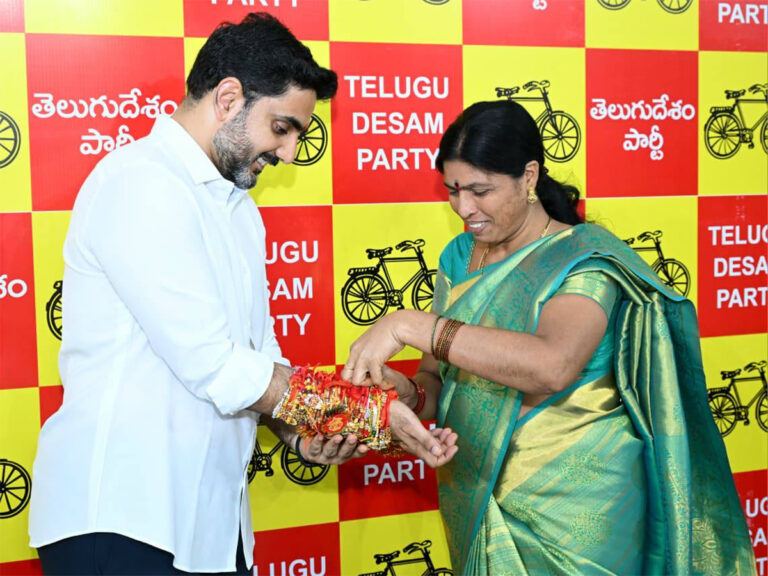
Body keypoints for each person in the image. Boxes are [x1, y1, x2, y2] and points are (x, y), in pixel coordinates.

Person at [29, 13, 456, 575]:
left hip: (212, 524)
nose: (290, 153)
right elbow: (213, 365)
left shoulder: (238, 210)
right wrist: (366, 411)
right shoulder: (141, 183)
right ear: (228, 98)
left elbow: (256, 362)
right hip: (123, 517)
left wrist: (301, 436)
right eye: (282, 128)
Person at [342, 100, 755, 575]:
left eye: (480, 190)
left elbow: (551, 367)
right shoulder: (459, 256)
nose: (464, 208)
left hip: (578, 513)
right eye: (453, 190)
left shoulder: (584, 260)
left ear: (529, 176)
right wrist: (409, 396)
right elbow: (437, 379)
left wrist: (410, 324)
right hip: (478, 493)